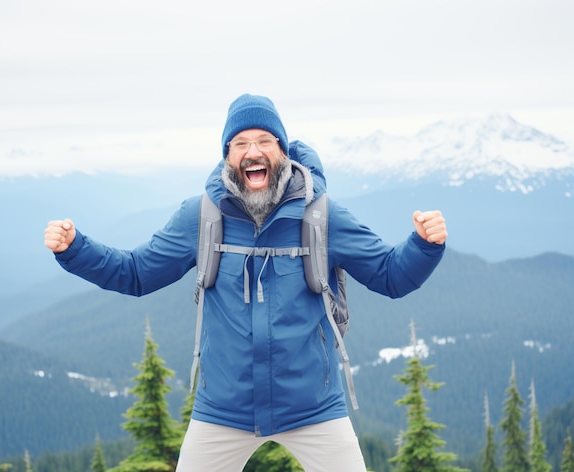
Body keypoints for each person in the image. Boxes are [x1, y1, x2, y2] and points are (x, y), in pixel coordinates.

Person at [44, 94, 448, 472]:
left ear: (282, 152)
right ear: (227, 157)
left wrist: (424, 245)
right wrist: (75, 248)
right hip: (223, 410)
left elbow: (391, 275)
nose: (252, 152)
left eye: (264, 141)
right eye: (240, 143)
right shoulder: (201, 217)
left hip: (313, 408)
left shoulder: (322, 216)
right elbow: (134, 273)